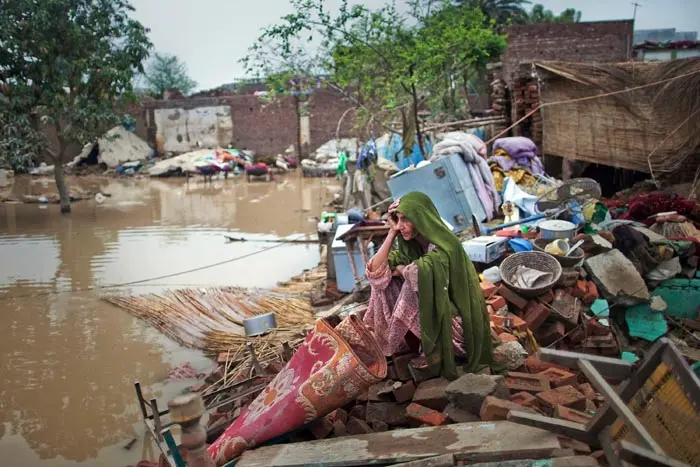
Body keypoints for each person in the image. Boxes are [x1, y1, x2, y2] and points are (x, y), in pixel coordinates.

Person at [363, 191, 499, 380]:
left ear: (420, 219)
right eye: (397, 220)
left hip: (457, 328)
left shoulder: (445, 246)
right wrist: (391, 233)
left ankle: (431, 350)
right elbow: (375, 272)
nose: (401, 226)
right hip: (434, 316)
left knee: (412, 285)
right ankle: (404, 342)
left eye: (405, 220)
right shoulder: (410, 247)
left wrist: (402, 270)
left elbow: (417, 276)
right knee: (383, 285)